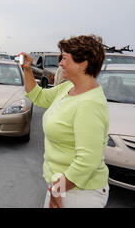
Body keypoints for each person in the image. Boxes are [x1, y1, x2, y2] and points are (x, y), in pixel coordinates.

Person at [20, 35, 109, 208]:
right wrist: (27, 69)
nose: (60, 63)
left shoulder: (89, 104)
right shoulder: (70, 88)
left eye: (64, 59)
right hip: (62, 187)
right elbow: (38, 96)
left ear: (82, 63)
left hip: (80, 193)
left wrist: (56, 190)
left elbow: (88, 160)